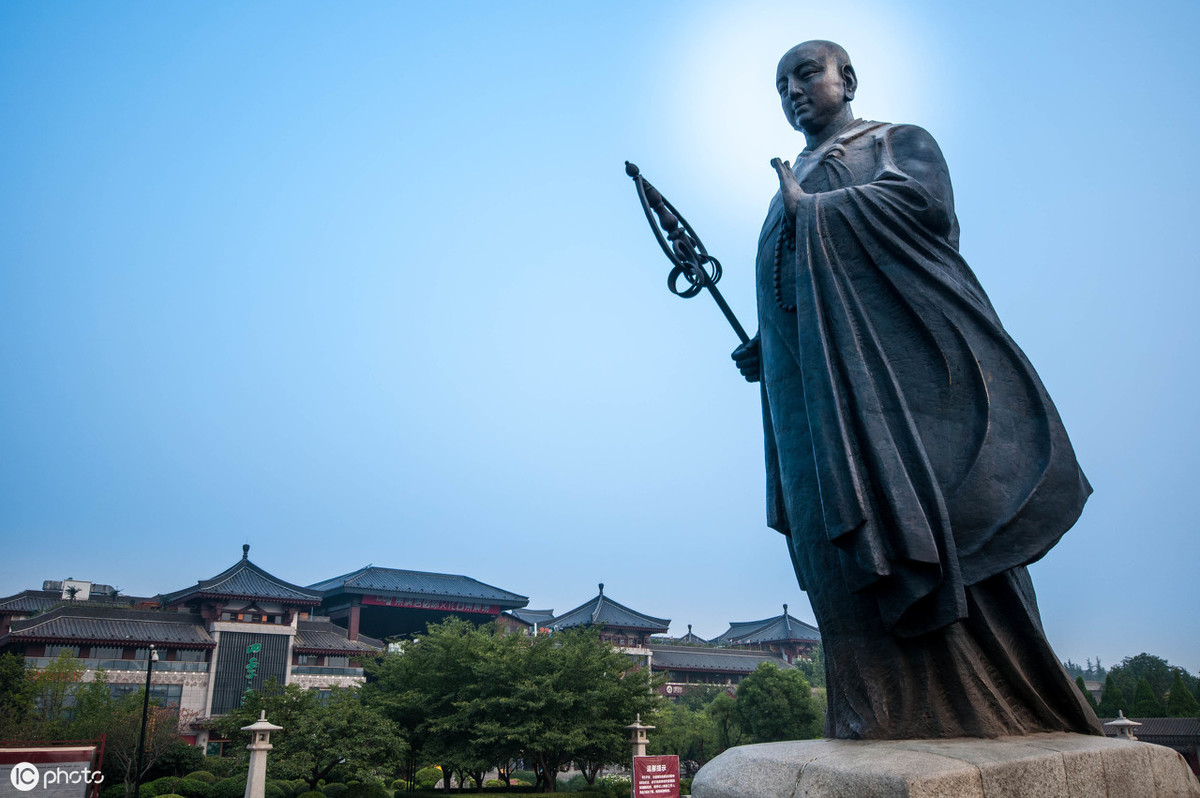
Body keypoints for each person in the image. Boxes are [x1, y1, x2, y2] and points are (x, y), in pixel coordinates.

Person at [731, 40, 1102, 739]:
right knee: (828, 549)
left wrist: (814, 213)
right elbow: (797, 288)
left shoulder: (894, 142)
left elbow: (925, 207)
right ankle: (869, 711)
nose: (794, 91)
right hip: (807, 399)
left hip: (888, 398)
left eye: (807, 73)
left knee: (922, 531)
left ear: (849, 79)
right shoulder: (791, 182)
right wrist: (769, 339)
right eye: (781, 83)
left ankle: (989, 706)